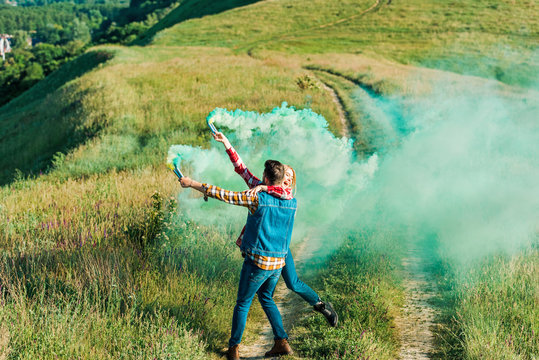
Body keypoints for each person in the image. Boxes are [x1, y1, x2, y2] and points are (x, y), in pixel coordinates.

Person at [213, 132, 338, 327]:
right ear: (278, 176)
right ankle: (281, 339)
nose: (288, 177)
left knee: (293, 283)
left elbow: (282, 192)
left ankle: (321, 306)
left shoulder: (286, 195)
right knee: (266, 296)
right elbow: (241, 169)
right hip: (267, 247)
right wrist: (226, 143)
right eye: (285, 173)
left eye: (291, 176)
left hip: (280, 248)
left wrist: (263, 189)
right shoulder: (261, 187)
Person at [179, 160, 296, 360]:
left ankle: (233, 349)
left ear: (266, 180)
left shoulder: (257, 198)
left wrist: (192, 184)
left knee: (243, 303)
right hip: (277, 265)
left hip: (258, 263)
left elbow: (223, 194)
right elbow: (250, 177)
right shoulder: (291, 200)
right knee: (266, 298)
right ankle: (281, 341)